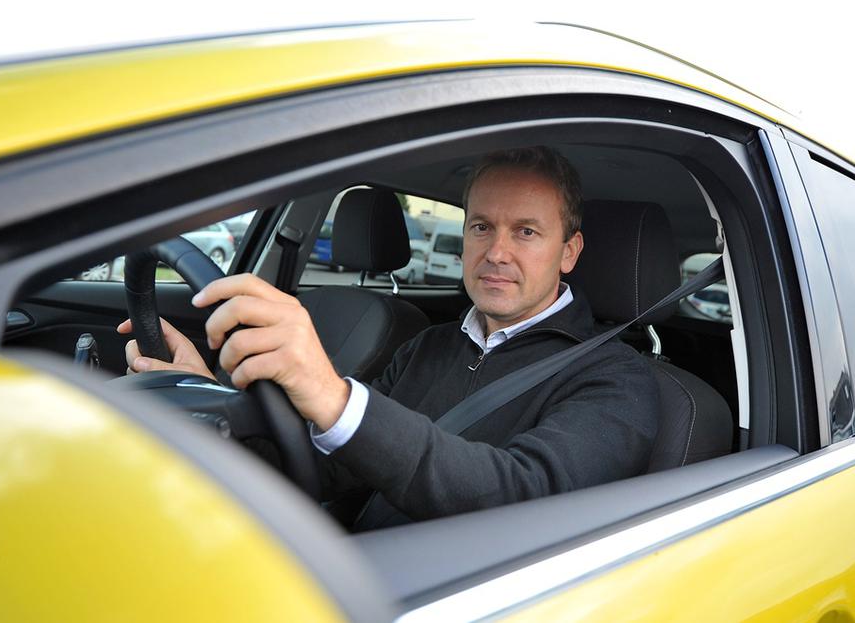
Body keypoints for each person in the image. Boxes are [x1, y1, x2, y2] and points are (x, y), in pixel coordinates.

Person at [118, 146, 660, 524]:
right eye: (481, 226)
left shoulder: (618, 380)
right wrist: (216, 407)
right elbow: (332, 467)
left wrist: (334, 397)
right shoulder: (430, 345)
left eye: (526, 231)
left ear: (569, 252)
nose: (496, 252)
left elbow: (521, 497)